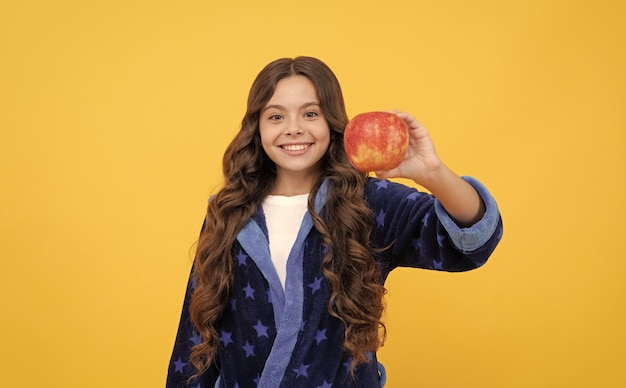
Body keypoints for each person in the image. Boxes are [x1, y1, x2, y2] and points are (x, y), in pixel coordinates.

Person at [166, 56, 503, 388]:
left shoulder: (367, 203)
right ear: (257, 127)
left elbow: (469, 239)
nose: (293, 128)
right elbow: (195, 336)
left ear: (332, 122)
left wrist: (433, 174)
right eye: (276, 116)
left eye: (310, 113)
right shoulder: (228, 211)